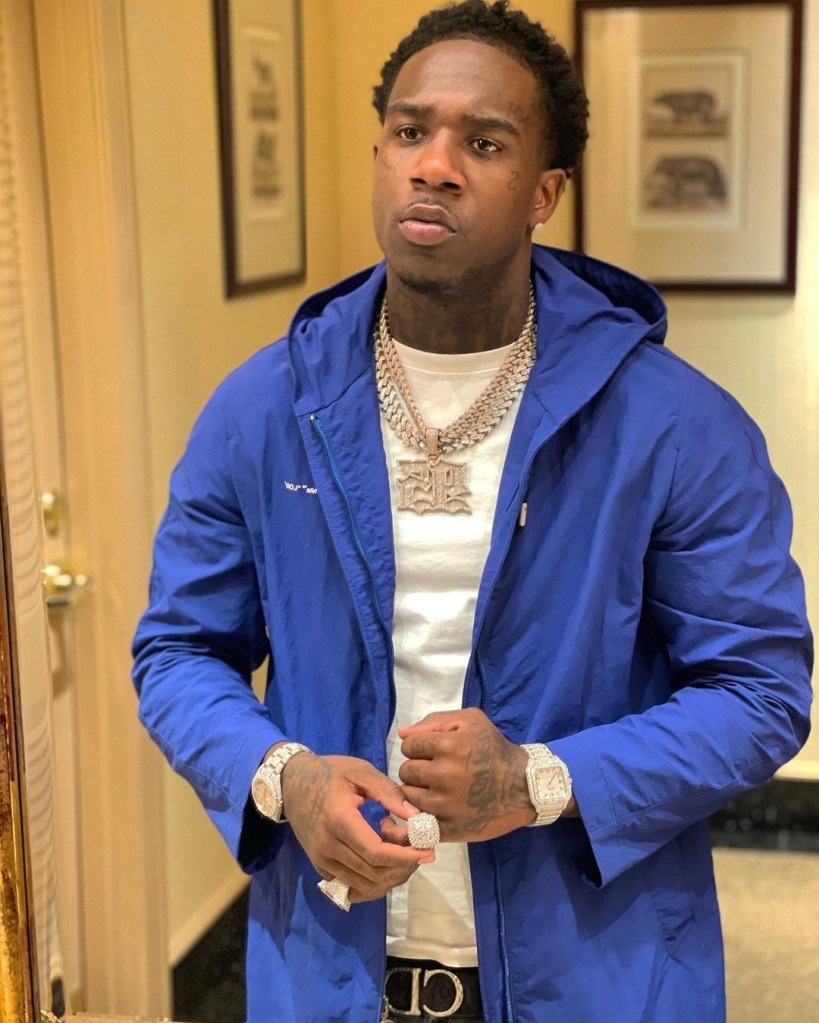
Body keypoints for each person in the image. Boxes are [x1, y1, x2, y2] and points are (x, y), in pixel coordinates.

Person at [132, 2, 813, 1021]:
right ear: (379, 153)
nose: (435, 166)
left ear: (545, 191)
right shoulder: (262, 409)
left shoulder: (675, 425)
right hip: (328, 974)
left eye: (483, 143)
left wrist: (540, 780)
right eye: (410, 131)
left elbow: (760, 690)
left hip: (595, 976)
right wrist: (283, 777)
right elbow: (179, 651)